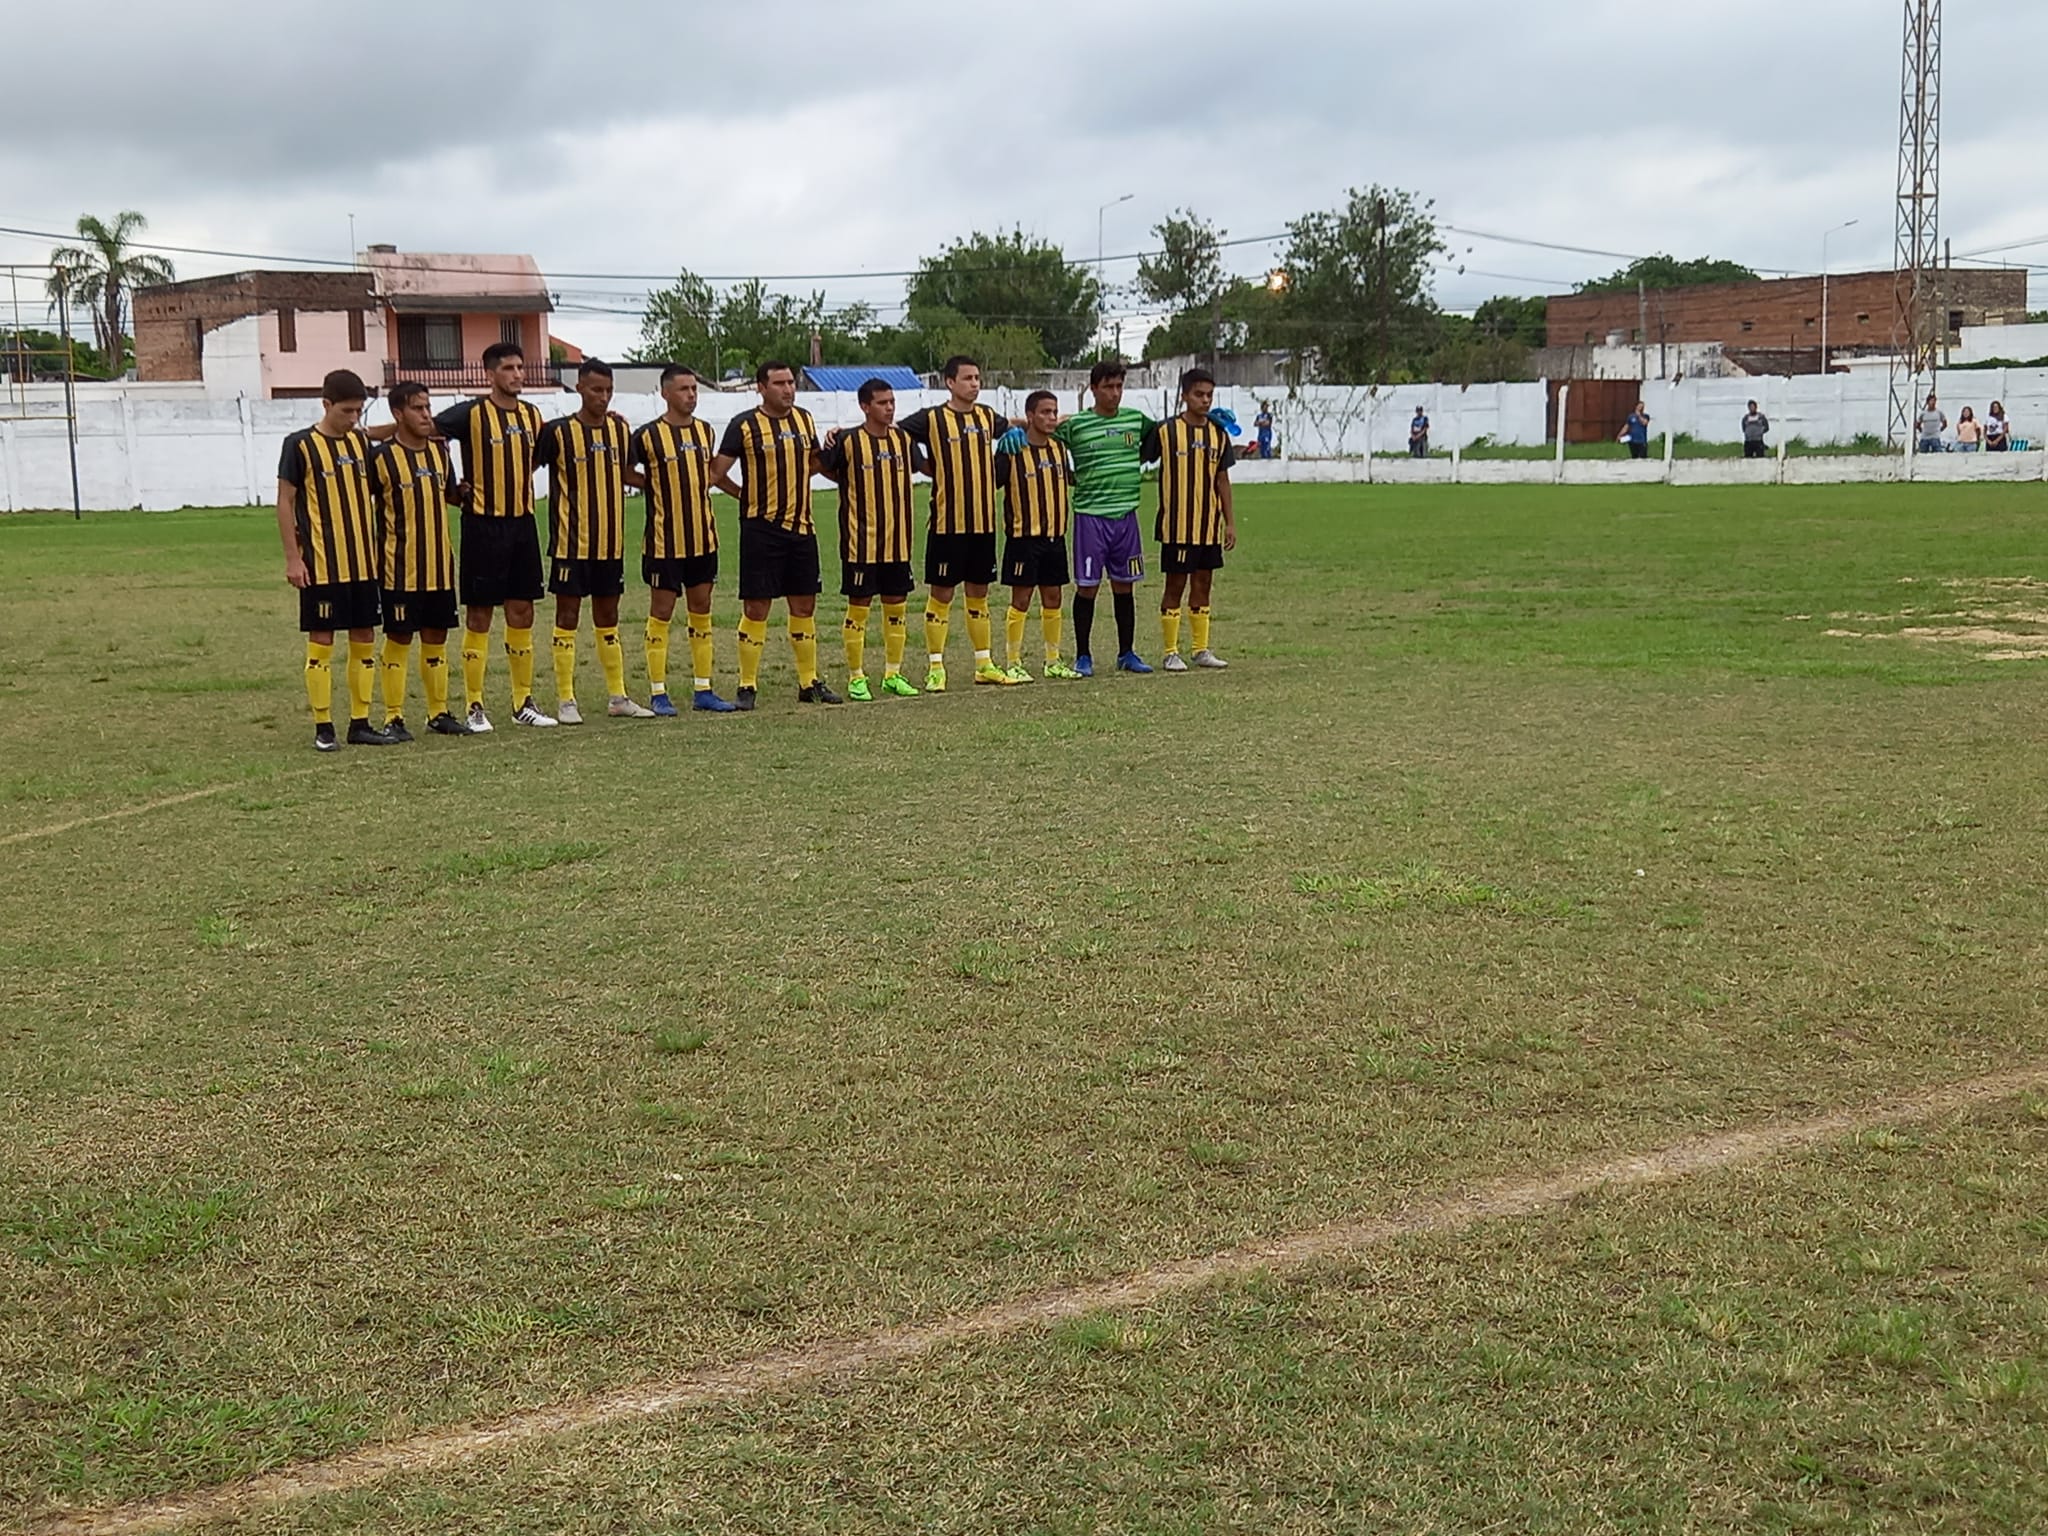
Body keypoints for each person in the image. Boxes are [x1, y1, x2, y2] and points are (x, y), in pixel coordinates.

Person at [432, 341, 552, 730]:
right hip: (482, 524)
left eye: (520, 367)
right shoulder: (470, 413)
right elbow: (430, 435)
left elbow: (541, 453)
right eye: (508, 368)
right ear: (490, 374)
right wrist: (452, 486)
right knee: (480, 612)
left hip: (522, 523)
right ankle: (474, 705)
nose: (517, 374)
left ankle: (523, 702)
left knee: (522, 610)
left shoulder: (533, 416)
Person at [276, 369, 396, 751]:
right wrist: (294, 559)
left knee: (364, 637)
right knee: (322, 640)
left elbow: (378, 434)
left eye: (359, 411)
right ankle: (323, 725)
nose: (353, 418)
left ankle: (360, 722)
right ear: (326, 405)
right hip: (322, 563)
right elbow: (285, 502)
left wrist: (414, 420)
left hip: (362, 562)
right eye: (346, 411)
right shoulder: (299, 445)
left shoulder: (358, 443)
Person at [708, 361, 839, 707]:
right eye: (779, 383)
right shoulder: (744, 425)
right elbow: (716, 472)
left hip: (801, 527)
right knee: (757, 606)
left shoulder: (804, 419)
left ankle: (808, 682)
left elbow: (811, 462)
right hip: (760, 529)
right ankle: (747, 684)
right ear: (761, 388)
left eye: (791, 382)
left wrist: (828, 451)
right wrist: (743, 494)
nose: (788, 389)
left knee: (804, 604)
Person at [534, 359, 653, 723]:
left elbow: (628, 473)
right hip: (571, 544)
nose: (602, 397)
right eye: (595, 390)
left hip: (610, 544)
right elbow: (526, 467)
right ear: (579, 388)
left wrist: (665, 483)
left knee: (609, 617)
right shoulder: (557, 432)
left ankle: (617, 696)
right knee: (567, 616)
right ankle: (566, 700)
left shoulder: (619, 430)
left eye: (608, 390)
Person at [624, 364, 737, 714]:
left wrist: (743, 495)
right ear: (665, 394)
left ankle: (703, 689)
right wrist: (653, 486)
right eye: (684, 389)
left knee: (701, 611)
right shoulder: (647, 436)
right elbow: (626, 471)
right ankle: (658, 691)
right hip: (664, 542)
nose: (691, 395)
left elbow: (713, 474)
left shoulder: (705, 432)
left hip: (703, 539)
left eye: (694, 388)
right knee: (661, 612)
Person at [1032, 360, 1156, 676]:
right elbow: (1044, 440)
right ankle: (1083, 655)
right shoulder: (1076, 426)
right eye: (1108, 387)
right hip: (1091, 518)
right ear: (1093, 389)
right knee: (1087, 587)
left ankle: (1126, 653)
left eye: (1119, 387)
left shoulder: (1135, 420)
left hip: (1126, 516)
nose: (1115, 394)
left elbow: (1159, 437)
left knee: (1124, 586)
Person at [896, 355, 1011, 691]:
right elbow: (896, 433)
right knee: (941, 594)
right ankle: (936, 666)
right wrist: (922, 464)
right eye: (967, 378)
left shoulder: (988, 417)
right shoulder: (932, 419)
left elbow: (1013, 426)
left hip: (983, 524)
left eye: (977, 378)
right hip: (948, 524)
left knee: (979, 593)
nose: (974, 384)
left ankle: (984, 663)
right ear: (949, 382)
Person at [368, 381, 470, 738]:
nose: (427, 415)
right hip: (399, 567)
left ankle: (438, 712)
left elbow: (450, 496)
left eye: (428, 407)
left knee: (436, 637)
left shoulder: (440, 452)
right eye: (418, 409)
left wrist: (463, 494)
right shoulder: (380, 457)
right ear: (398, 413)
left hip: (439, 566)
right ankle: (393, 717)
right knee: (398, 637)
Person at [817, 378, 921, 701]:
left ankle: (893, 673)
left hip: (898, 541)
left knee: (896, 607)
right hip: (860, 542)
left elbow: (924, 466)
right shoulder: (847, 441)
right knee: (859, 607)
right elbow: (825, 466)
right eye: (882, 403)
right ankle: (856, 676)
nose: (889, 408)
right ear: (865, 406)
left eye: (891, 402)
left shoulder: (904, 439)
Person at [1141, 368, 1237, 672]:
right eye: (1199, 394)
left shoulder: (1218, 434)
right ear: (1184, 396)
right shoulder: (1166, 431)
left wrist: (1230, 522)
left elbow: (1222, 480)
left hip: (1208, 525)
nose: (1205, 400)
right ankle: (1170, 651)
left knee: (1204, 583)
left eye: (1209, 395)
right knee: (1175, 585)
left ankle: (1200, 649)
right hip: (1177, 526)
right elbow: (1138, 458)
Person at [996, 389, 1083, 683]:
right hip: (1023, 538)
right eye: (1045, 412)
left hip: (1054, 537)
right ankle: (1013, 662)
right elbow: (992, 482)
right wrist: (1009, 430)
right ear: (1030, 416)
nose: (1051, 418)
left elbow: (1070, 479)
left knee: (1054, 596)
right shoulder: (1012, 450)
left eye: (1054, 412)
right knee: (1021, 598)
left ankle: (1052, 660)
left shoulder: (1059, 449)